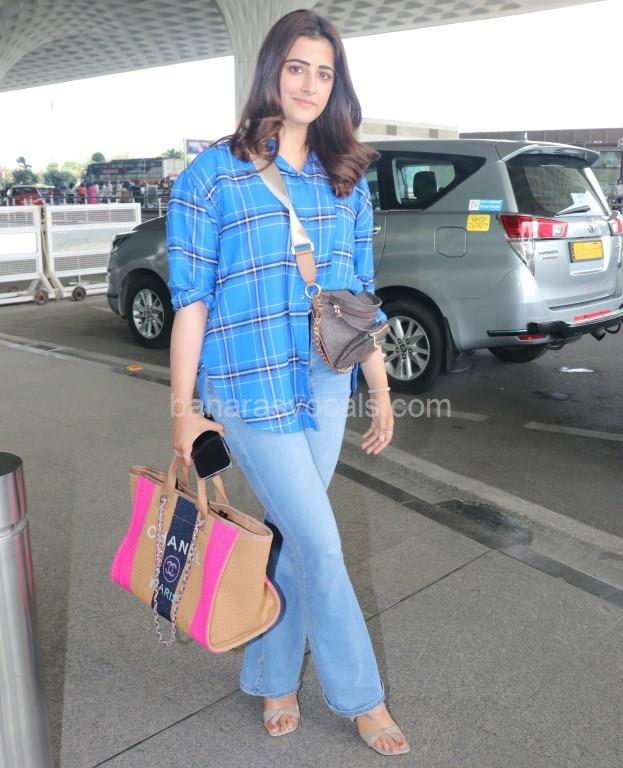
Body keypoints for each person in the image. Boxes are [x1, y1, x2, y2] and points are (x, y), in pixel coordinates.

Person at [166, 9, 409, 757]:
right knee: (321, 542)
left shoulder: (346, 180)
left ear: (338, 86)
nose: (309, 84)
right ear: (270, 70)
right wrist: (183, 411)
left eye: (324, 72)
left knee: (296, 535)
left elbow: (357, 295)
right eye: (296, 67)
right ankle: (362, 698)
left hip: (325, 379)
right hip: (246, 382)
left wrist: (379, 386)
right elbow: (191, 301)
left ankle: (273, 676)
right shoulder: (212, 175)